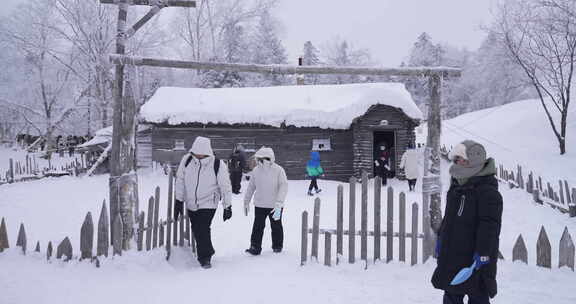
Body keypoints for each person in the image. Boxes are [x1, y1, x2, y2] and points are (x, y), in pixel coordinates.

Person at [431, 140, 503, 304]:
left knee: (477, 295)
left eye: (461, 159)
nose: (457, 163)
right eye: (456, 159)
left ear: (475, 160)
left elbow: (489, 226)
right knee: (451, 295)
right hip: (453, 254)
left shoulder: (488, 192)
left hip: (475, 258)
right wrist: (441, 238)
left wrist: (483, 253)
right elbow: (449, 219)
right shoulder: (457, 186)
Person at [174, 136, 233, 269]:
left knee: (203, 228)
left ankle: (205, 257)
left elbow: (225, 186)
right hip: (191, 202)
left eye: (202, 154)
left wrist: (227, 206)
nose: (199, 156)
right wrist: (178, 200)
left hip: (209, 202)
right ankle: (208, 250)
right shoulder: (187, 160)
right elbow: (180, 180)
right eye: (196, 153)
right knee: (196, 228)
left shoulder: (217, 164)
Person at [244, 147, 288, 255]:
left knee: (276, 226)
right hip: (260, 205)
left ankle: (277, 246)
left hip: (276, 205)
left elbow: (284, 186)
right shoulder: (256, 171)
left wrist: (279, 202)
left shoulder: (278, 170)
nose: (258, 161)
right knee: (258, 227)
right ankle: (255, 247)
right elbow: (251, 187)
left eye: (259, 158)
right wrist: (246, 201)